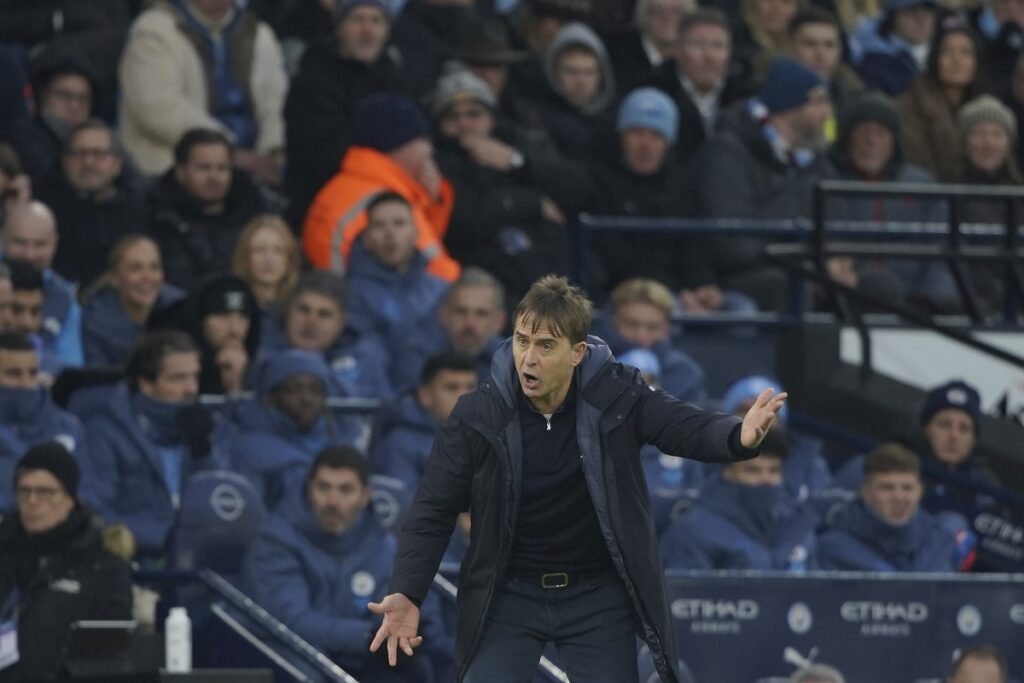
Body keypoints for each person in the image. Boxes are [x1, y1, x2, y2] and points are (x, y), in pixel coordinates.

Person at [368, 275, 786, 682]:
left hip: (596, 596)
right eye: (521, 340)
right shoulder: (479, 413)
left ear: (577, 352)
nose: (528, 358)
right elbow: (433, 510)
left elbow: (681, 425)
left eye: (545, 345)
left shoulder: (618, 396)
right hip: (507, 593)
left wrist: (737, 435)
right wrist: (407, 591)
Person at [242, 447, 450, 681]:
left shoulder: (383, 546)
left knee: (417, 668)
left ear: (365, 496)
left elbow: (405, 614)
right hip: (296, 655)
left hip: (361, 658)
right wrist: (366, 637)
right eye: (323, 487)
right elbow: (290, 619)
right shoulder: (276, 539)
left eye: (345, 490)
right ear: (308, 489)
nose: (332, 501)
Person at [431, 70, 583, 302]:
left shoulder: (513, 147)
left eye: (474, 114)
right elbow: (468, 220)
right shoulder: (435, 163)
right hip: (475, 286)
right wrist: (533, 202)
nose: (464, 123)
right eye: (453, 116)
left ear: (491, 118)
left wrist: (516, 163)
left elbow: (577, 189)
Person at [692, 57, 830, 311]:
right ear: (791, 105)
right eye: (818, 102)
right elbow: (730, 243)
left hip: (799, 264)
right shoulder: (727, 153)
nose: (827, 113)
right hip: (736, 277)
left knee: (872, 285)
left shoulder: (815, 161)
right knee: (787, 284)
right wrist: (802, 257)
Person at [80, 331, 223, 558]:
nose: (191, 389)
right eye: (178, 378)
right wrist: (164, 538)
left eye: (194, 377)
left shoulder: (204, 427)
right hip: (136, 563)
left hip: (199, 560)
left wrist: (203, 452)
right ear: (146, 384)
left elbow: (223, 503)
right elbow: (94, 510)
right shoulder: (106, 432)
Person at [0, 444, 133, 681]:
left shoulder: (101, 568)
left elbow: (109, 658)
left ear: (70, 498)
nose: (32, 501)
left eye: (45, 492)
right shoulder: (5, 555)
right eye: (24, 491)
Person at [118, 0, 288, 182]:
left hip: (255, 166)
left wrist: (274, 149)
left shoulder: (257, 32)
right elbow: (157, 107)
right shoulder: (153, 30)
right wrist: (226, 153)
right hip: (173, 171)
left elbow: (275, 103)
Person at [302, 94, 460, 282]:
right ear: (398, 147)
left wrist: (432, 201)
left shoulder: (352, 185)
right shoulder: (385, 200)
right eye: (422, 141)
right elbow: (437, 273)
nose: (429, 151)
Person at [823, 92, 956, 314]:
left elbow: (942, 255)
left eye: (880, 133)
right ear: (847, 138)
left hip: (918, 303)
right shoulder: (826, 183)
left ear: (894, 141)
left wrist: (927, 298)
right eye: (863, 131)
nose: (871, 141)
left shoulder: (923, 187)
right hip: (852, 295)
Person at [283, 0, 400, 226]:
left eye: (376, 21)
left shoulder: (394, 76)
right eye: (357, 19)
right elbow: (322, 157)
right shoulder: (313, 80)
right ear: (339, 29)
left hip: (388, 195)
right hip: (324, 203)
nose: (367, 30)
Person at [660, 429, 819, 570]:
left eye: (774, 470)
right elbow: (684, 599)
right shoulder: (693, 530)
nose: (766, 479)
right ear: (726, 473)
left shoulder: (796, 526)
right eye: (753, 470)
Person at [226, 349, 363, 511]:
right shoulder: (249, 448)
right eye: (295, 389)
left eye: (315, 390)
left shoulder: (342, 442)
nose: (307, 399)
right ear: (270, 398)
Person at [145, 129, 273, 289]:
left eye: (222, 168)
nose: (214, 177)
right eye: (203, 167)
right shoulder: (156, 216)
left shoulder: (257, 212)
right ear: (180, 172)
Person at [34, 119, 146, 290]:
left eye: (99, 154)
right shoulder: (43, 208)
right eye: (79, 153)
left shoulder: (141, 210)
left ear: (117, 164)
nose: (88, 163)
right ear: (64, 161)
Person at [817, 443, 962, 571]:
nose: (898, 497)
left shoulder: (938, 537)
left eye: (907, 488)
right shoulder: (833, 546)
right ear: (865, 493)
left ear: (920, 492)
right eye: (886, 488)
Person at [346, 192, 450, 351]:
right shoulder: (350, 295)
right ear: (366, 239)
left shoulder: (441, 289)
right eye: (379, 225)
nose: (390, 234)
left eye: (399, 223)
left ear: (415, 234)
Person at [371, 351, 478, 495]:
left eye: (470, 387)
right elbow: (402, 507)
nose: (464, 396)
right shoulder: (400, 444)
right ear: (425, 396)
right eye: (452, 388)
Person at [647, 9, 748, 162]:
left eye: (718, 46)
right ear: (678, 50)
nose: (709, 56)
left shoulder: (745, 95)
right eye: (698, 45)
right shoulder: (653, 92)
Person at [897, 20, 990, 182]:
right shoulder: (910, 106)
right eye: (947, 51)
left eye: (965, 52)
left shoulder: (988, 108)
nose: (956, 60)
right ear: (935, 59)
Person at [0, 332, 84, 510]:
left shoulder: (68, 427)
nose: (26, 383)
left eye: (33, 373)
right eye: (13, 374)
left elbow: (85, 492)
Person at [279, 271, 393, 400]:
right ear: (287, 311)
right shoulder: (264, 349)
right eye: (303, 310)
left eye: (324, 314)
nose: (311, 321)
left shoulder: (366, 358)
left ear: (342, 323)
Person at [389, 267, 507, 391]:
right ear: (443, 315)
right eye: (461, 312)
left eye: (481, 314)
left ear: (499, 321)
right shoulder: (414, 355)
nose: (470, 323)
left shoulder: (511, 359)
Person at [590, 278, 707, 404]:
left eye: (652, 328)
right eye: (632, 325)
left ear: (666, 329)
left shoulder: (684, 374)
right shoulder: (585, 366)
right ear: (613, 323)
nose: (641, 337)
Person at [148, 273, 260, 396]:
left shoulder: (259, 366)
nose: (234, 328)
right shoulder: (172, 358)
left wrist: (234, 385)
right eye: (222, 316)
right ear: (201, 320)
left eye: (242, 317)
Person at [1, 201, 83, 368]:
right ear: (2, 238)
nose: (29, 255)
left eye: (40, 244)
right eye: (20, 242)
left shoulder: (64, 298)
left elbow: (69, 369)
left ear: (55, 243)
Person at [82, 235, 183, 368]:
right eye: (136, 268)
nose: (147, 277)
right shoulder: (92, 322)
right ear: (114, 278)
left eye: (154, 268)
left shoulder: (180, 308)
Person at [1, 60, 98, 179]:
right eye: (64, 95)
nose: (74, 106)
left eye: (83, 99)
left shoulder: (95, 140)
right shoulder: (23, 137)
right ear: (44, 95)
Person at [534, 22, 617, 160]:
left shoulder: (615, 121)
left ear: (601, 75)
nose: (581, 82)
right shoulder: (536, 118)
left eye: (589, 72)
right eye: (571, 72)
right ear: (554, 72)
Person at [231, 214, 300, 356]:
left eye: (278, 251)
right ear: (245, 257)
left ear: (289, 259)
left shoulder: (299, 309)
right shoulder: (234, 308)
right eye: (259, 250)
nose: (269, 259)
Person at [788, 8, 865, 123]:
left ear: (839, 51)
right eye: (810, 44)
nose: (820, 53)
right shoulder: (769, 97)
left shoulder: (856, 100)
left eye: (829, 45)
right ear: (791, 49)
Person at [605, 0, 695, 95]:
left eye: (677, 11)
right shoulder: (618, 54)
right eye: (658, 11)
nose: (667, 18)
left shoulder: (696, 61)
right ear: (645, 15)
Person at [851, 0, 938, 95]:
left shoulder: (916, 53)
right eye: (912, 11)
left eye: (928, 11)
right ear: (893, 17)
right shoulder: (874, 65)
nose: (923, 22)